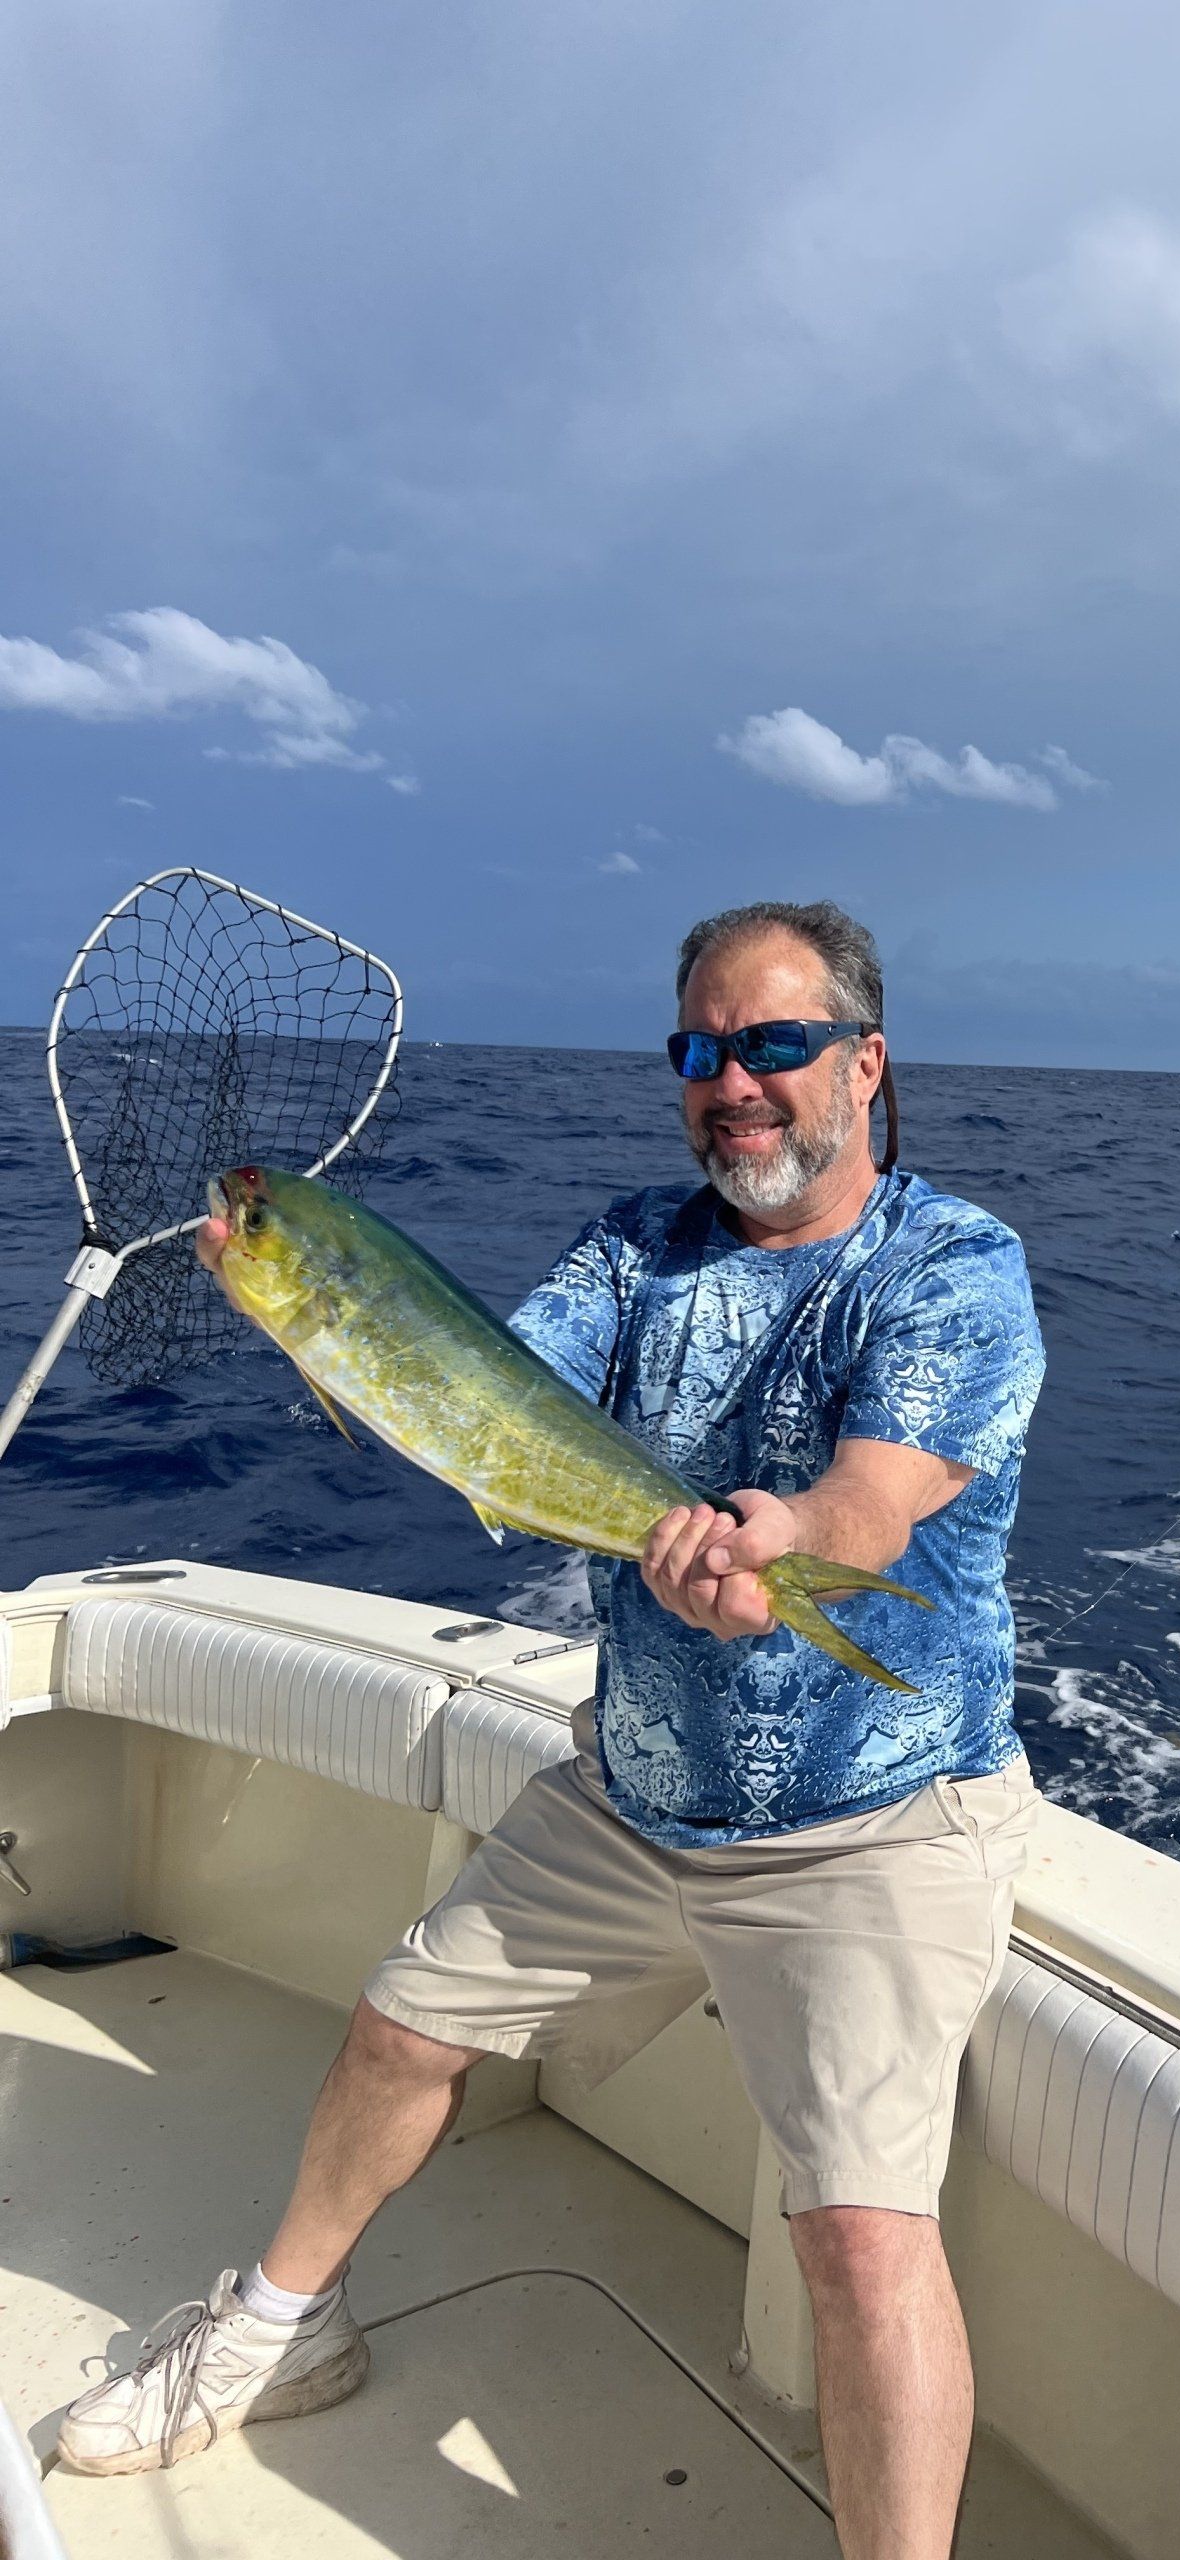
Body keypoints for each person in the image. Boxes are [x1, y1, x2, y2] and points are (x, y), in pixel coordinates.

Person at [57, 899, 1047, 2560]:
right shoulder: (631, 1247)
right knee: (395, 2032)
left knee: (863, 2242)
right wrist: (307, 1311)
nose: (733, 1082)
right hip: (633, 1797)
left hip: (868, 1829)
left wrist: (778, 1544)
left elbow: (872, 1509)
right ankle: (277, 2332)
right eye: (701, 1050)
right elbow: (481, 1394)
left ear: (866, 1064)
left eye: (776, 1044)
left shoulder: (957, 1266)